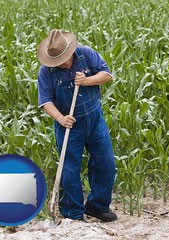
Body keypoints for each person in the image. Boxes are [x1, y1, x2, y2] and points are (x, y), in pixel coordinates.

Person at [36, 29, 117, 222]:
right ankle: (73, 212)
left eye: (63, 58)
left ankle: (97, 206)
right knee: (70, 169)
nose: (62, 63)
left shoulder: (86, 54)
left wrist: (87, 80)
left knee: (105, 162)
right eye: (57, 60)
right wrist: (61, 118)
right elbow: (45, 101)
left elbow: (107, 75)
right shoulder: (46, 72)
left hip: (94, 119)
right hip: (69, 125)